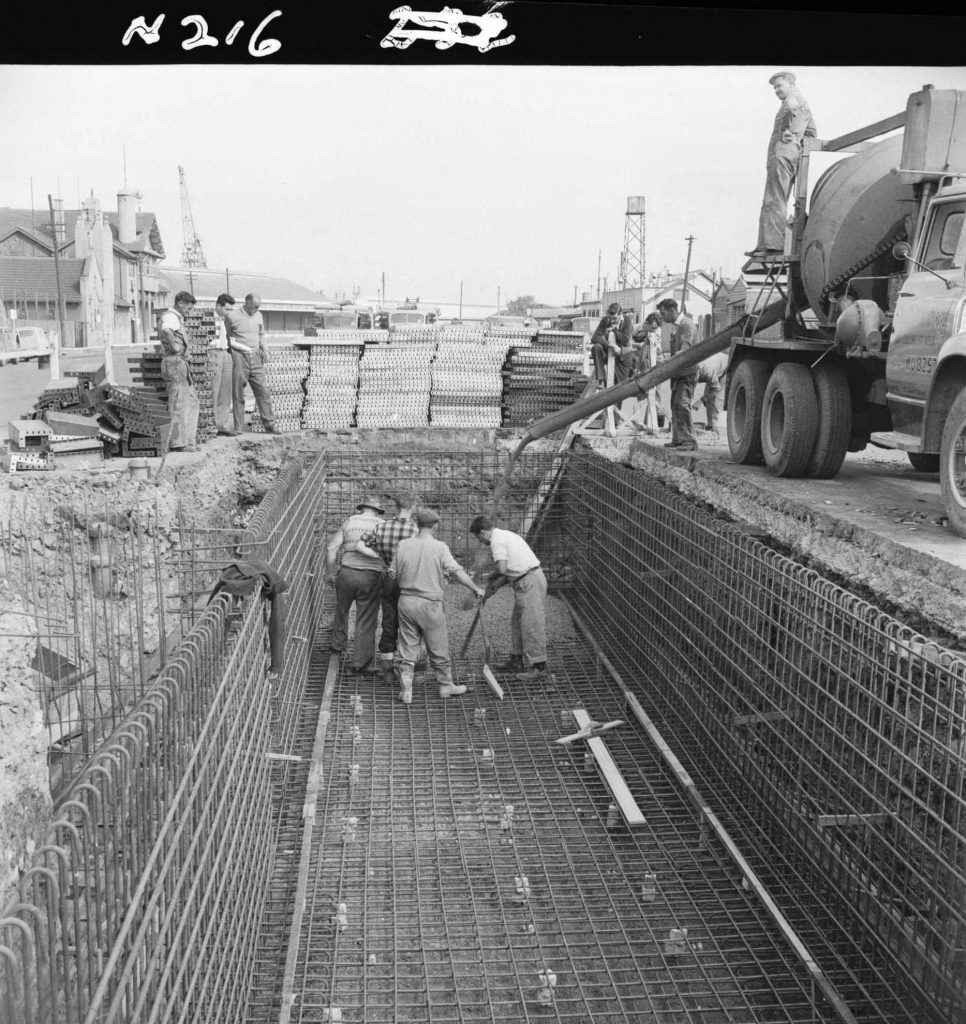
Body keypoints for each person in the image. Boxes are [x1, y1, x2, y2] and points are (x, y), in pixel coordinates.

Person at [389, 508, 484, 705]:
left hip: (406, 601)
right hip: (430, 603)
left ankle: (406, 689)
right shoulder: (440, 547)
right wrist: (475, 588)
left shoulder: (403, 545)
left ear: (416, 523)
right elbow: (456, 573)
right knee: (438, 645)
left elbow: (392, 574)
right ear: (435, 526)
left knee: (408, 646)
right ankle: (445, 686)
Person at [469, 515, 549, 682]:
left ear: (483, 533)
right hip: (524, 580)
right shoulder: (505, 535)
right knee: (518, 623)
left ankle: (539, 667)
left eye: (478, 537)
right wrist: (490, 590)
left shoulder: (497, 541)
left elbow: (502, 568)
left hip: (530, 581)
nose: (480, 541)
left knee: (531, 624)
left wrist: (491, 576)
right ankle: (516, 661)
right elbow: (506, 573)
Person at [747, 72, 817, 259]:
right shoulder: (791, 101)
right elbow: (811, 131)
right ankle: (765, 243)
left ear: (791, 84)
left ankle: (773, 244)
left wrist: (792, 135)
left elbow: (797, 113)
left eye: (780, 85)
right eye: (775, 87)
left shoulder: (794, 99)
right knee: (772, 198)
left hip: (783, 152)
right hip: (781, 153)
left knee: (774, 198)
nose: (777, 90)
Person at [355, 490, 419, 684]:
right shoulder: (416, 531)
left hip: (388, 578)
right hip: (409, 581)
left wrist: (379, 558)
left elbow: (360, 545)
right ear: (413, 508)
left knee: (389, 622)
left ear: (396, 507)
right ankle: (410, 671)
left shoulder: (382, 527)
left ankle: (388, 671)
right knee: (411, 625)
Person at [326, 496, 386, 673]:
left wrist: (331, 572)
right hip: (371, 575)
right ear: (377, 511)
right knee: (366, 618)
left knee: (342, 609)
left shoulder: (350, 521)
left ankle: (337, 646)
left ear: (361, 509)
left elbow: (331, 548)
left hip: (346, 572)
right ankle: (360, 662)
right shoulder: (382, 524)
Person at [227, 292, 279, 434]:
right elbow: (228, 339)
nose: (256, 310)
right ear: (247, 303)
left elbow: (261, 334)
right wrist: (236, 352)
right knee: (238, 393)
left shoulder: (259, 315)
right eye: (254, 307)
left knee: (262, 391)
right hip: (240, 356)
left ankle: (269, 424)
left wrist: (265, 349)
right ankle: (238, 427)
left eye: (258, 307)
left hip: (256, 356)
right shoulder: (232, 316)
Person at [159, 290, 200, 452]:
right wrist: (175, 347)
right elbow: (166, 330)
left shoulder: (178, 318)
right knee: (178, 403)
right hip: (174, 363)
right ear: (181, 303)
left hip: (181, 364)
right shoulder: (170, 317)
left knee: (191, 401)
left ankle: (189, 441)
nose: (189, 311)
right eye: (188, 308)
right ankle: (177, 443)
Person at [657, 298, 698, 451]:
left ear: (672, 311)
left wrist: (667, 362)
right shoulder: (677, 326)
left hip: (687, 372)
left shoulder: (686, 325)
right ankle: (678, 439)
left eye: (663, 313)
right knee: (675, 404)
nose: (662, 317)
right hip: (678, 372)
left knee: (682, 404)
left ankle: (689, 441)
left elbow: (684, 351)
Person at [630, 312, 671, 430]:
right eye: (652, 328)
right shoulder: (638, 327)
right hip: (637, 355)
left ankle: (653, 421)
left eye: (656, 328)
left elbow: (652, 347)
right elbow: (628, 340)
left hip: (655, 358)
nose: (654, 330)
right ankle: (647, 421)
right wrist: (637, 344)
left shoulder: (657, 331)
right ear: (646, 324)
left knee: (656, 392)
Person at [590, 302, 635, 386]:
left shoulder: (627, 321)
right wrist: (608, 345)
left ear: (620, 314)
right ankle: (601, 379)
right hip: (609, 352)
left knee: (618, 388)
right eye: (610, 318)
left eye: (614, 318)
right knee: (596, 347)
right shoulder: (605, 320)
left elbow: (625, 341)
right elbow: (595, 337)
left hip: (622, 357)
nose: (612, 321)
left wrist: (614, 330)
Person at [211, 293, 237, 436]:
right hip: (214, 353)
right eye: (227, 309)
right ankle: (213, 426)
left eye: (230, 310)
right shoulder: (208, 318)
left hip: (226, 353)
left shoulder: (225, 319)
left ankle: (223, 424)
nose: (228, 312)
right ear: (218, 305)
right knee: (214, 390)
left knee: (225, 391)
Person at [691, 350, 728, 434]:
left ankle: (715, 431)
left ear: (699, 374)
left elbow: (716, 389)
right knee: (708, 402)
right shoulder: (694, 369)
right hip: (715, 369)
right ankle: (710, 426)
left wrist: (701, 400)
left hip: (725, 370)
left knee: (717, 403)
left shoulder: (708, 371)